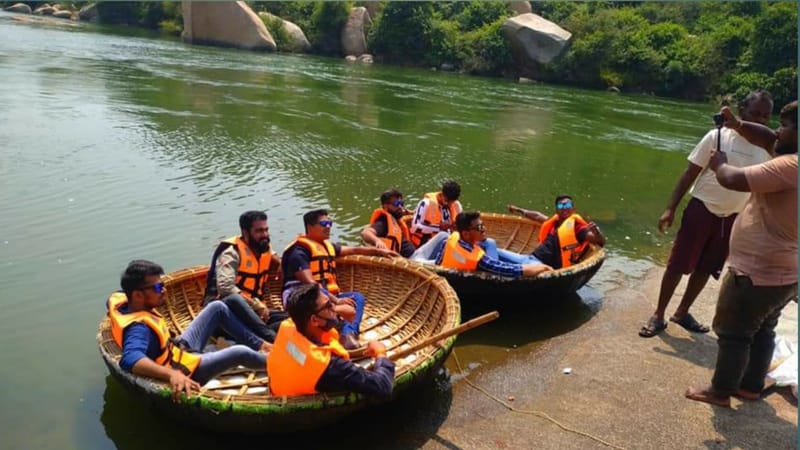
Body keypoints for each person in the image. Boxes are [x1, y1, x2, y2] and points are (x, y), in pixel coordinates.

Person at [686, 101, 797, 407]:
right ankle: (750, 387)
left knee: (733, 332)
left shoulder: (790, 167)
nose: (777, 129)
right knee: (764, 328)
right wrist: (736, 125)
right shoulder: (791, 158)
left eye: (786, 125)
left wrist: (719, 163)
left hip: (756, 271)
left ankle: (719, 392)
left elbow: (732, 179)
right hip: (784, 272)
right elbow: (767, 139)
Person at [639, 90, 774, 338]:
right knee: (678, 263)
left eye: (766, 116)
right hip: (702, 208)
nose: (760, 120)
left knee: (707, 267)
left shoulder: (767, 147)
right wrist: (670, 208)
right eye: (755, 113)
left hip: (733, 216)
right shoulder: (718, 135)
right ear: (742, 111)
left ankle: (682, 312)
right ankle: (658, 315)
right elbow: (689, 174)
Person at [109, 260, 270, 401]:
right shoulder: (138, 329)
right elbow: (130, 359)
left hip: (178, 349)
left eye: (163, 285)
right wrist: (172, 374)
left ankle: (261, 346)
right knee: (239, 352)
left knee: (217, 307)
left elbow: (117, 294)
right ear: (137, 295)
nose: (163, 290)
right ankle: (274, 362)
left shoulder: (122, 301)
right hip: (184, 369)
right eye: (158, 287)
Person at [282, 209, 399, 349]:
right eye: (324, 223)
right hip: (302, 298)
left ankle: (348, 334)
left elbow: (355, 250)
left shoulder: (327, 246)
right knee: (332, 306)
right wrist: (336, 301)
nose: (328, 227)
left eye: (330, 223)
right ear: (310, 227)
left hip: (324, 296)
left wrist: (379, 251)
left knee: (357, 298)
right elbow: (310, 284)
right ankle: (333, 325)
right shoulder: (299, 252)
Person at [267, 283, 395, 397]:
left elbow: (302, 357)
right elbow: (382, 386)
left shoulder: (289, 325)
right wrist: (380, 353)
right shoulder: (331, 366)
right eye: (329, 306)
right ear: (314, 320)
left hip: (279, 389)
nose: (334, 308)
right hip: (305, 392)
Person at [204, 210, 288, 343]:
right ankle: (272, 339)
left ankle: (264, 335)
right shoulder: (231, 253)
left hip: (255, 314)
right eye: (259, 231)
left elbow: (273, 256)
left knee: (289, 319)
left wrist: (280, 263)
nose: (265, 235)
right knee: (233, 299)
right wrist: (255, 304)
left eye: (266, 230)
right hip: (227, 314)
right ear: (245, 232)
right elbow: (225, 288)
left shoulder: (262, 247)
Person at [431, 211, 552, 278]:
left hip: (452, 273)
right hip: (485, 279)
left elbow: (438, 263)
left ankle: (529, 261)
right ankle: (531, 262)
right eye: (479, 227)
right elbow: (511, 270)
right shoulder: (479, 260)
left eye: (482, 225)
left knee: (489, 242)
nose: (484, 229)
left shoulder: (451, 238)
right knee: (490, 244)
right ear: (466, 234)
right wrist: (544, 268)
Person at [507, 195, 606, 269]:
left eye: (567, 204)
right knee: (491, 245)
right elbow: (537, 215)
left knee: (494, 265)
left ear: (573, 209)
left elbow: (600, 242)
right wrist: (518, 209)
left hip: (539, 266)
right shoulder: (554, 222)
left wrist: (596, 232)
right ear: (556, 209)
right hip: (529, 259)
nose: (564, 207)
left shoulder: (577, 228)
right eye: (560, 205)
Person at [361, 188, 416, 257]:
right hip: (414, 258)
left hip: (416, 254)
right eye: (396, 204)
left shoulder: (395, 216)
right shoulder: (384, 221)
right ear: (386, 206)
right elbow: (366, 233)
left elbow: (404, 211)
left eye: (401, 203)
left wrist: (409, 212)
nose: (400, 207)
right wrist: (377, 241)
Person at [410, 180, 463, 247]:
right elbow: (414, 227)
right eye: (446, 200)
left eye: (451, 202)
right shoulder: (426, 203)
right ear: (442, 193)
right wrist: (438, 228)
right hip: (427, 244)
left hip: (449, 243)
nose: (448, 204)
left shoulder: (457, 205)